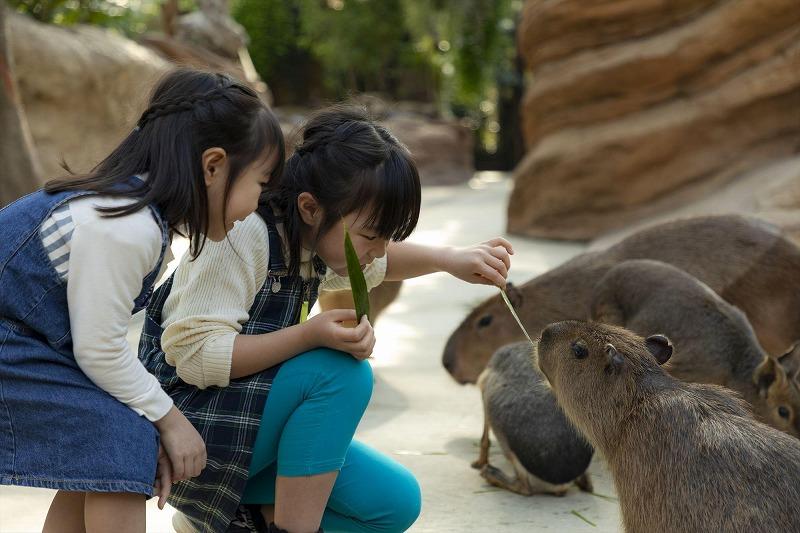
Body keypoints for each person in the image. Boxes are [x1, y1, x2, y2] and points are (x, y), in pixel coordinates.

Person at [140, 105, 513, 533]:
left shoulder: (314, 238)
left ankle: (226, 520)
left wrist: (450, 259)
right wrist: (311, 334)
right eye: (372, 235)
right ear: (311, 207)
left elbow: (379, 261)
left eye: (387, 236)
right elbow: (196, 357)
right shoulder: (245, 234)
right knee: (339, 373)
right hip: (183, 436)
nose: (379, 248)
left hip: (245, 430)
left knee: (393, 503)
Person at [0, 67, 285, 533]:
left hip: (21, 344)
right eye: (261, 183)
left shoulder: (132, 213)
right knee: (123, 434)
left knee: (108, 431)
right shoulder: (125, 226)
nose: (259, 203)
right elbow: (101, 351)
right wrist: (171, 421)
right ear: (213, 167)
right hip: (10, 342)